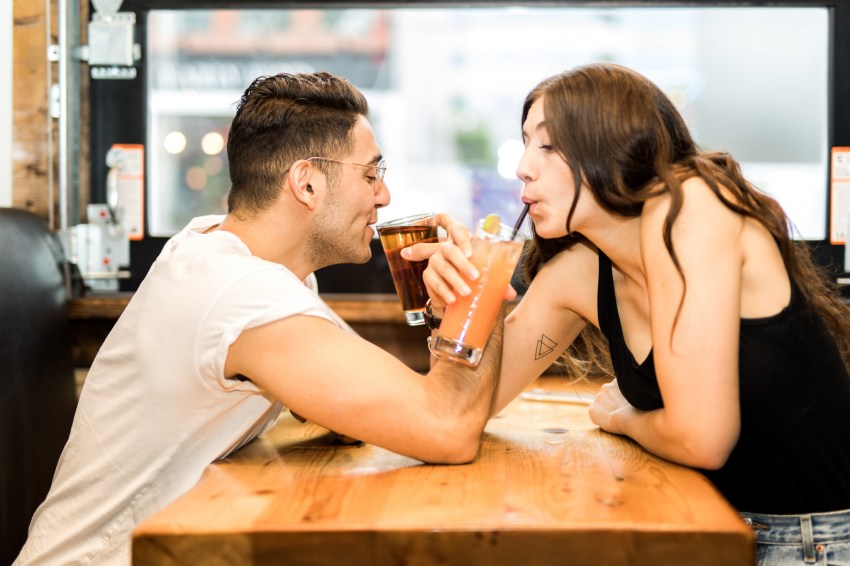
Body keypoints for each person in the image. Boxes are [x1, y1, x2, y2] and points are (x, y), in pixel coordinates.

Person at [15, 72, 505, 566]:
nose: (385, 196)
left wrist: (443, 314)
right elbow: (446, 429)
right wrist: (483, 287)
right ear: (307, 183)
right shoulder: (241, 292)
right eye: (370, 175)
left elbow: (350, 415)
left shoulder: (228, 252)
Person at [413, 63, 850, 565]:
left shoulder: (692, 204)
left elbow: (703, 440)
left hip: (816, 542)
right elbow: (459, 413)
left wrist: (625, 418)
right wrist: (454, 308)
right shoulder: (580, 273)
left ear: (613, 145)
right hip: (707, 525)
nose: (523, 167)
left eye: (548, 145)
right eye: (526, 143)